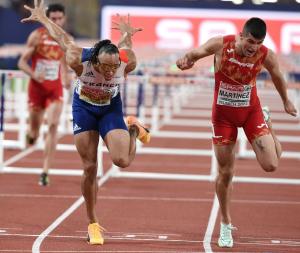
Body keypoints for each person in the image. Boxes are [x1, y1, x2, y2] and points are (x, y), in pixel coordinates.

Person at [21, 0, 150, 246]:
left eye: (115, 67)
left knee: (122, 161)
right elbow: (62, 38)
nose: (111, 72)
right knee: (90, 167)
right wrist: (44, 19)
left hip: (111, 109)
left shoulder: (126, 61)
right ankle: (93, 223)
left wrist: (125, 34)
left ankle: (133, 128)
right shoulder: (78, 59)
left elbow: (125, 47)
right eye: (106, 67)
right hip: (84, 110)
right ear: (95, 61)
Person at [176, 17, 298, 248]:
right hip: (223, 118)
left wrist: (286, 101)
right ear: (241, 35)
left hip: (251, 112)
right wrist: (186, 61)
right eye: (251, 41)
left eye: (259, 42)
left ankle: (268, 122)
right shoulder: (221, 44)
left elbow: (278, 76)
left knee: (271, 165)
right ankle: (225, 224)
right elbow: (195, 53)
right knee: (225, 173)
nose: (254, 47)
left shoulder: (265, 54)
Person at [18, 3, 71, 186]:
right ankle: (31, 135)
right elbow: (22, 63)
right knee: (34, 133)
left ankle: (45, 171)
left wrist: (66, 76)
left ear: (64, 19)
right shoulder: (37, 36)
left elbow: (65, 63)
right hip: (37, 88)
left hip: (55, 89)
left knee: (53, 125)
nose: (56, 22)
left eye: (59, 18)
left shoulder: (65, 39)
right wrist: (34, 75)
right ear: (48, 18)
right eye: (53, 18)